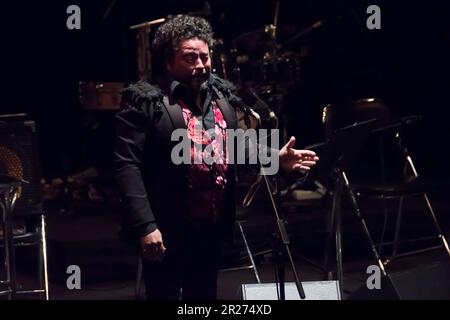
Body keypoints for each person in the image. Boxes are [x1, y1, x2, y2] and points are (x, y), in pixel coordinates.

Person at [114, 14, 319, 300]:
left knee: (204, 297)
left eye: (204, 57)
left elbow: (234, 147)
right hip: (167, 226)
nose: (200, 65)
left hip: (210, 226)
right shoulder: (146, 101)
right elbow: (128, 167)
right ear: (168, 61)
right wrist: (146, 226)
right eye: (190, 58)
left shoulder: (221, 98)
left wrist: (276, 158)